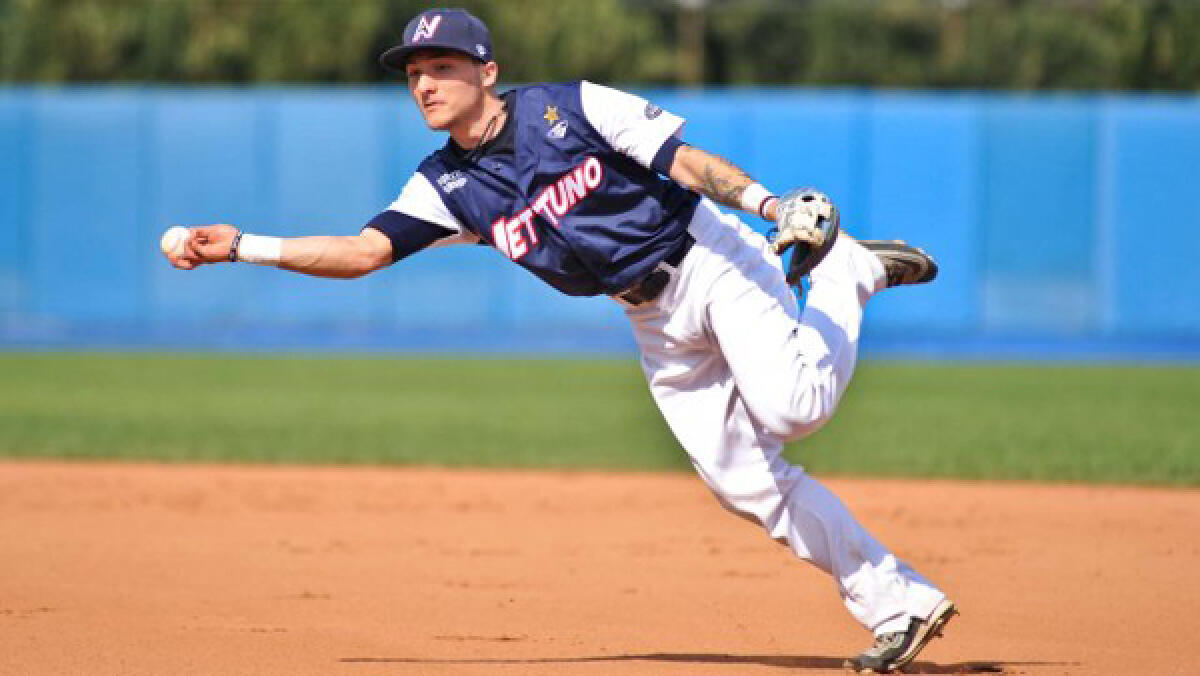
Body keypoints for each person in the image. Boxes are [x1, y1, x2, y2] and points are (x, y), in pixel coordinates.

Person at [165, 8, 955, 673]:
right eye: (412, 73)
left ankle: (847, 273)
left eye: (440, 65)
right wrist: (243, 244)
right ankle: (902, 603)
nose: (424, 84)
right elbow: (362, 252)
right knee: (742, 484)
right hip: (650, 318)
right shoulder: (445, 187)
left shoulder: (569, 107)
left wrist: (768, 203)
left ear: (485, 70)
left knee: (793, 406)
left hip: (708, 258)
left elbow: (681, 161)